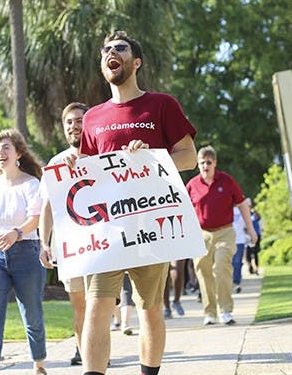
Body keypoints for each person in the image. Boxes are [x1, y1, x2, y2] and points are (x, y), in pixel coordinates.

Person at [68, 30, 197, 375]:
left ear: (136, 62)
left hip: (150, 227)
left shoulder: (162, 105)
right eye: (107, 50)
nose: (112, 53)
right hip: (106, 230)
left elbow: (189, 158)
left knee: (149, 309)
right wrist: (72, 166)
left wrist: (153, 156)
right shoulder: (92, 117)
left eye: (120, 48)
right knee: (97, 306)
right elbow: (88, 176)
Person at [0, 129, 47, 375]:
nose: (0, 152)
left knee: (32, 314)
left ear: (18, 153)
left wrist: (17, 233)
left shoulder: (31, 184)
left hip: (26, 252)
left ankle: (39, 363)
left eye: (5, 147)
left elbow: (36, 219)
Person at [38, 102, 90, 366]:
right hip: (71, 247)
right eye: (69, 122)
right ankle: (85, 355)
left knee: (101, 306)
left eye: (79, 120)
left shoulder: (104, 155)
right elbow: (46, 208)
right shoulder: (56, 163)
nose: (74, 126)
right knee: (80, 307)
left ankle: (97, 355)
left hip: (104, 246)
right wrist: (43, 244)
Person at [186, 146, 258, 326]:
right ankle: (209, 312)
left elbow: (242, 205)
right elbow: (184, 211)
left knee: (221, 267)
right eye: (202, 163)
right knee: (203, 271)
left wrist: (251, 229)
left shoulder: (226, 181)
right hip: (201, 234)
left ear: (215, 163)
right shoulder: (192, 185)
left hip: (225, 232)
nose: (205, 166)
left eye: (208, 162)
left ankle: (225, 310)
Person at [231, 205, 247, 293]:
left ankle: (236, 282)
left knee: (237, 262)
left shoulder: (242, 211)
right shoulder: (226, 209)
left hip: (240, 241)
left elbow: (246, 225)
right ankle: (230, 281)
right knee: (229, 263)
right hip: (229, 240)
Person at [245, 206, 262, 276]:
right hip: (248, 237)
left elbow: (258, 217)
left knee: (255, 253)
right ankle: (250, 268)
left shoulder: (253, 215)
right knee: (248, 254)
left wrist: (254, 210)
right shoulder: (244, 216)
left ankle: (256, 269)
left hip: (256, 236)